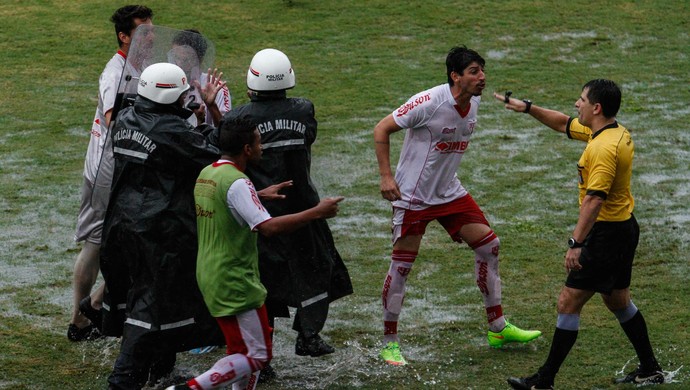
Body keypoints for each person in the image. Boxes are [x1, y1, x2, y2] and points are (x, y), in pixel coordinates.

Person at [373, 46, 541, 366]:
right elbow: (382, 129)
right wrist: (385, 177)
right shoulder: (428, 103)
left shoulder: (474, 102)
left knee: (489, 245)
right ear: (456, 76)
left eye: (482, 71)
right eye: (475, 71)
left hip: (449, 194)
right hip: (413, 198)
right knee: (402, 266)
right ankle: (389, 342)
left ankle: (497, 328)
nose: (482, 78)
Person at [495, 80, 664, 389]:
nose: (577, 103)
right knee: (618, 301)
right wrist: (529, 108)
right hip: (624, 228)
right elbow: (563, 124)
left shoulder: (602, 149)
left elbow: (594, 200)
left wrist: (577, 243)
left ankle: (544, 380)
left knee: (568, 302)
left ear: (596, 108)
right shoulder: (611, 131)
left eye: (582, 100)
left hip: (606, 235)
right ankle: (650, 368)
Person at [164, 116, 345, 390]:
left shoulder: (209, 173)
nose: (263, 146)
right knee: (258, 356)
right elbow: (269, 228)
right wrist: (316, 212)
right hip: (234, 278)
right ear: (247, 149)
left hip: (211, 273)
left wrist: (256, 195)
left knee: (240, 351)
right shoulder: (238, 182)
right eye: (259, 141)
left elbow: (224, 204)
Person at [99, 62, 227, 389]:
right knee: (150, 306)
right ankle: (123, 380)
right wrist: (207, 113)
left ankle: (160, 371)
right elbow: (214, 153)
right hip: (158, 229)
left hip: (120, 223)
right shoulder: (171, 130)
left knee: (150, 300)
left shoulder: (126, 118)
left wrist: (190, 120)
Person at [226, 48, 353, 365]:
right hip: (304, 209)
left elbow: (227, 147)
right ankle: (308, 335)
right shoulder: (303, 109)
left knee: (261, 284)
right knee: (320, 268)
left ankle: (262, 356)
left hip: (259, 210)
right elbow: (307, 137)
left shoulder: (238, 117)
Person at [68, 4, 153, 342]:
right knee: (96, 243)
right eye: (143, 32)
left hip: (128, 166)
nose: (150, 38)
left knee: (133, 240)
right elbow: (111, 118)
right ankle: (80, 320)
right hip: (106, 170)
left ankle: (98, 306)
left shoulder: (144, 66)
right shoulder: (114, 72)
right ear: (124, 36)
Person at [169, 29, 231, 127]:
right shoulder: (165, 83)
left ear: (199, 60)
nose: (179, 64)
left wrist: (211, 106)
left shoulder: (216, 88)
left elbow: (226, 131)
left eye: (186, 60)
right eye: (176, 57)